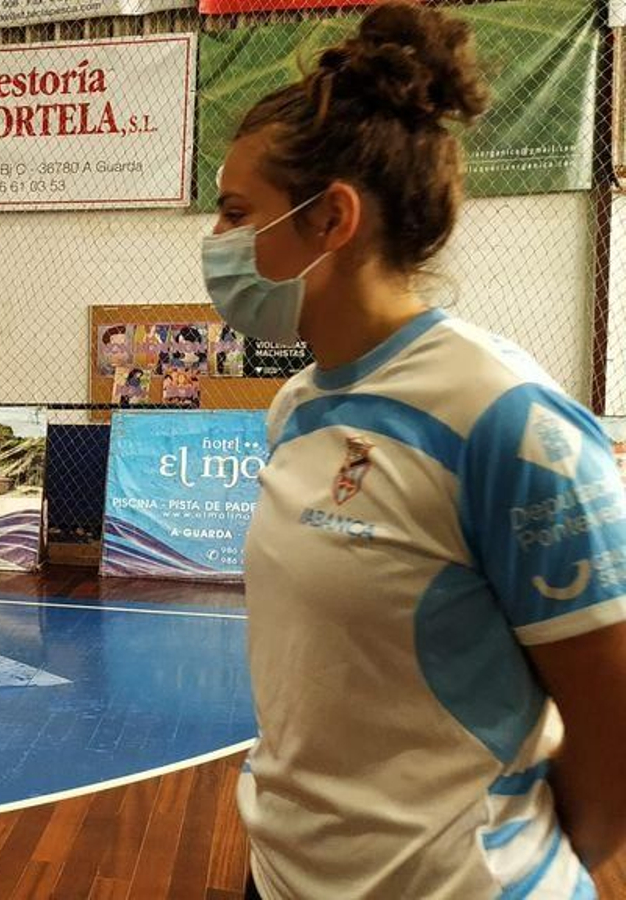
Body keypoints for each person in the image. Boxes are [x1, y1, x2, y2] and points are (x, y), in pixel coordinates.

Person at [208, 4, 626, 897]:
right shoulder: (297, 407)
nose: (216, 244)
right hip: (282, 878)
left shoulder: (506, 422)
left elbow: (615, 723)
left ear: (332, 220)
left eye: (237, 213)